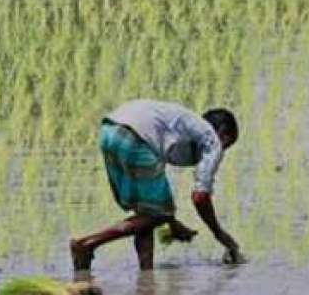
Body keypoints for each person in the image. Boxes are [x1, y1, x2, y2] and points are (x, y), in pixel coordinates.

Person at [69, 99, 243, 281]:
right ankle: (88, 244)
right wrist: (219, 234)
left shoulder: (185, 128)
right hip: (135, 138)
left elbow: (154, 192)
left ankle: (145, 277)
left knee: (147, 213)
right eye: (227, 146)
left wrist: (172, 222)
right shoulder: (212, 139)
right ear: (223, 135)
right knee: (157, 214)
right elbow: (200, 197)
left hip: (110, 131)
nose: (222, 153)